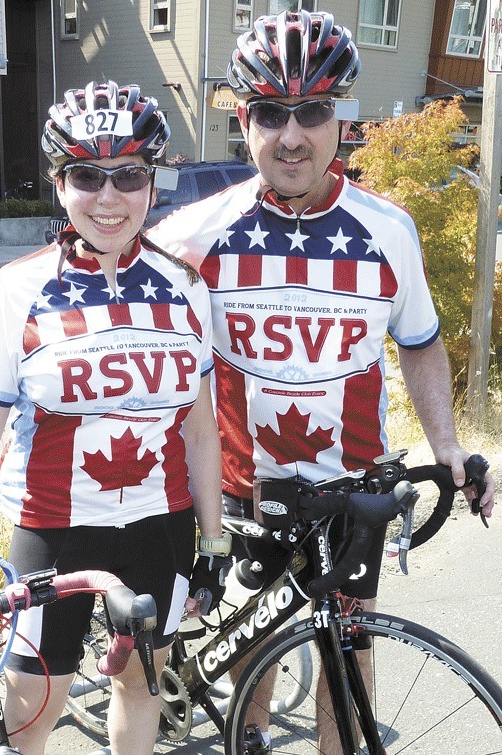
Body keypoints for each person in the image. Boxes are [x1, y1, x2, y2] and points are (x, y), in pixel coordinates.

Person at [147, 10, 495, 753]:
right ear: (243, 119)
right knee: (250, 656)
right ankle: (251, 736)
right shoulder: (193, 236)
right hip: (247, 491)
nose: (292, 133)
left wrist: (450, 445)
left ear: (342, 117)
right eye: (271, 112)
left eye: (311, 111)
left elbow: (423, 344)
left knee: (349, 654)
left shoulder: (387, 230)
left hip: (350, 490)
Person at [0, 81, 231, 755]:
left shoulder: (188, 286)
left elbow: (199, 427)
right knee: (30, 716)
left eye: (128, 174)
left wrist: (215, 542)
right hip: (54, 532)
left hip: (159, 530)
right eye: (87, 175)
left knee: (141, 687)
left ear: (153, 182)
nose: (109, 196)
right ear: (59, 181)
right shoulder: (21, 286)